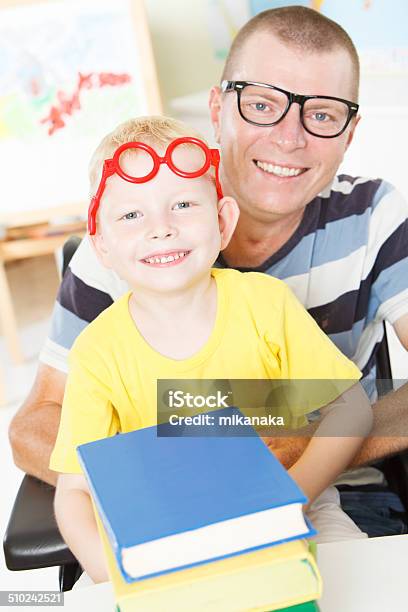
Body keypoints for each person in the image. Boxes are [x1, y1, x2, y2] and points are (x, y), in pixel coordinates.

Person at [9, 6, 408, 534]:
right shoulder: (130, 241)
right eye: (262, 104)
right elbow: (36, 423)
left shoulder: (375, 216)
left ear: (350, 131)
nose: (290, 138)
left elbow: (344, 416)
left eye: (323, 114)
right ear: (218, 107)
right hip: (162, 513)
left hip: (340, 497)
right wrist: (178, 484)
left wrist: (303, 449)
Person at [49, 115, 372, 584]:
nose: (161, 229)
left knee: (356, 580)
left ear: (223, 222)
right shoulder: (97, 353)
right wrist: (118, 577)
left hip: (298, 502)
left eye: (182, 204)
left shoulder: (266, 304)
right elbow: (74, 491)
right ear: (102, 247)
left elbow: (352, 410)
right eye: (132, 215)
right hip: (170, 526)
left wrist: (291, 497)